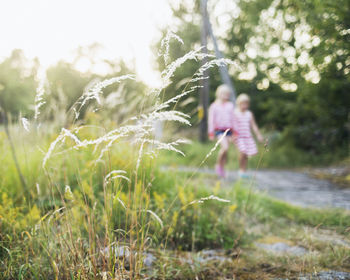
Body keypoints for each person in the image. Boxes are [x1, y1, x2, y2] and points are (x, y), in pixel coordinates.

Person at [208, 84, 236, 178]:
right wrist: (211, 132)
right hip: (219, 130)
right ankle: (218, 165)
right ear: (219, 94)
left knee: (225, 151)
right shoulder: (214, 106)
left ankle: (222, 169)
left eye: (227, 94)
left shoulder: (230, 105)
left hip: (229, 131)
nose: (226, 95)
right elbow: (211, 120)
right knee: (225, 148)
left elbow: (233, 118)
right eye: (224, 93)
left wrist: (235, 131)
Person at [234, 93, 264, 178]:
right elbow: (233, 125)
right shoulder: (235, 113)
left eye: (246, 103)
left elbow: (254, 125)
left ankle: (244, 170)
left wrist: (258, 135)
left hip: (247, 136)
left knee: (246, 154)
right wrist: (232, 136)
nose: (244, 105)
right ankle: (240, 170)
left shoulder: (249, 114)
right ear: (239, 103)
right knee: (242, 152)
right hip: (238, 137)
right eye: (242, 103)